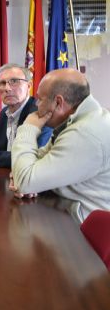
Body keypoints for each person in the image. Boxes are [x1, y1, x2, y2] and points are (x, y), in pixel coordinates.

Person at [11, 68, 110, 222]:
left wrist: (29, 127)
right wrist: (25, 177)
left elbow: (24, 180)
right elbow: (32, 167)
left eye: (40, 99)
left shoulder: (85, 133)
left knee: (16, 234)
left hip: (84, 235)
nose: (37, 104)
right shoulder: (79, 120)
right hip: (66, 215)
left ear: (58, 102)